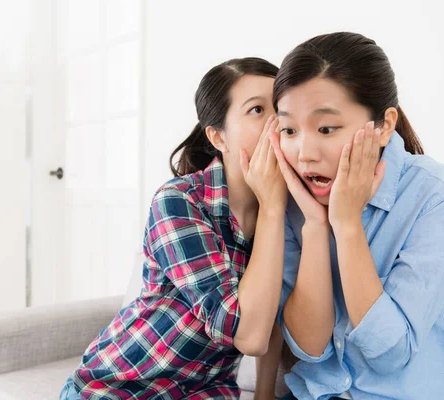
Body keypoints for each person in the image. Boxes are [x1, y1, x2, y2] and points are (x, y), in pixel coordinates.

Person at [60, 57, 289, 399]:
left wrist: (265, 395)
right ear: (218, 136)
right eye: (256, 110)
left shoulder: (287, 208)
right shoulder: (180, 201)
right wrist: (273, 206)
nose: (276, 124)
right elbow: (249, 334)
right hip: (120, 388)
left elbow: (273, 315)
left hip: (206, 391)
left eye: (281, 110)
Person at [269, 32, 444, 400]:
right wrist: (316, 225)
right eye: (288, 130)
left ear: (384, 125)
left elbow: (390, 353)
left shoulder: (440, 195)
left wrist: (347, 226)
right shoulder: (294, 204)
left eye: (326, 129)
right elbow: (311, 347)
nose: (304, 154)